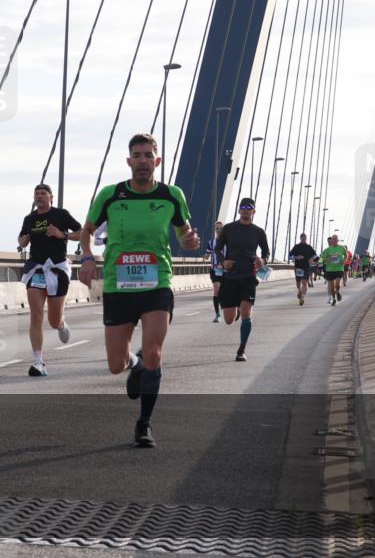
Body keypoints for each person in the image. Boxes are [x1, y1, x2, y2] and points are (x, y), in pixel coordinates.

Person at [79, 133, 200, 448]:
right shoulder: (111, 195)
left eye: (149, 155)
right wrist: (88, 258)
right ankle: (135, 363)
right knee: (115, 364)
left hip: (157, 281)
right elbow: (86, 231)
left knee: (155, 354)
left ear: (157, 161)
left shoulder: (172, 195)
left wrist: (189, 241)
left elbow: (184, 230)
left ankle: (144, 424)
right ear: (129, 161)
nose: (143, 161)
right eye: (137, 155)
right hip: (118, 286)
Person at [18, 184, 82, 376]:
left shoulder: (61, 215)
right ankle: (39, 362)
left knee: (53, 320)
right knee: (36, 315)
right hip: (36, 268)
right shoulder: (29, 218)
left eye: (43, 193)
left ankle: (61, 324)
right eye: (36, 194)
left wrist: (63, 235)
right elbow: (21, 238)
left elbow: (83, 232)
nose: (39, 196)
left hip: (57, 270)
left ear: (51, 197)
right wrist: (23, 241)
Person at [215, 198, 269, 362]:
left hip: (248, 276)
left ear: (253, 212)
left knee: (247, 313)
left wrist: (263, 261)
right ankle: (237, 307)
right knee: (229, 320)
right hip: (231, 276)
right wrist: (224, 261)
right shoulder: (229, 229)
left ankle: (241, 349)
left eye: (249, 209)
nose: (245, 211)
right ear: (239, 211)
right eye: (243, 208)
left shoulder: (258, 232)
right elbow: (217, 249)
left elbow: (266, 252)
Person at [288, 233, 317, 306]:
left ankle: (302, 298)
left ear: (306, 238)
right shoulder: (296, 247)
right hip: (298, 267)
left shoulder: (309, 247)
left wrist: (312, 259)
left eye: (305, 238)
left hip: (306, 267)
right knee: (298, 284)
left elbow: (316, 256)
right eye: (302, 238)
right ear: (300, 238)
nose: (304, 239)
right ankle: (299, 290)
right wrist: (297, 257)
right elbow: (289, 256)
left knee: (304, 282)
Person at [204, 221, 225, 322]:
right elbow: (207, 255)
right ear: (215, 230)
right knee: (216, 290)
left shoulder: (228, 242)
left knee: (225, 291)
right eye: (217, 228)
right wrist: (206, 256)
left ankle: (232, 307)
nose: (219, 230)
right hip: (215, 270)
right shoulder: (211, 242)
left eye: (221, 228)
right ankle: (217, 314)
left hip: (226, 270)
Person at [320, 235, 347, 305]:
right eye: (333, 239)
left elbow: (346, 255)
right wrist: (327, 259)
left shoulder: (342, 248)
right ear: (331, 240)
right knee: (332, 287)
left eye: (336, 239)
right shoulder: (327, 250)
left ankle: (337, 292)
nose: (334, 241)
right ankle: (334, 299)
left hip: (339, 268)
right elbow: (321, 258)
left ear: (338, 240)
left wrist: (344, 260)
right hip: (330, 269)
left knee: (337, 283)